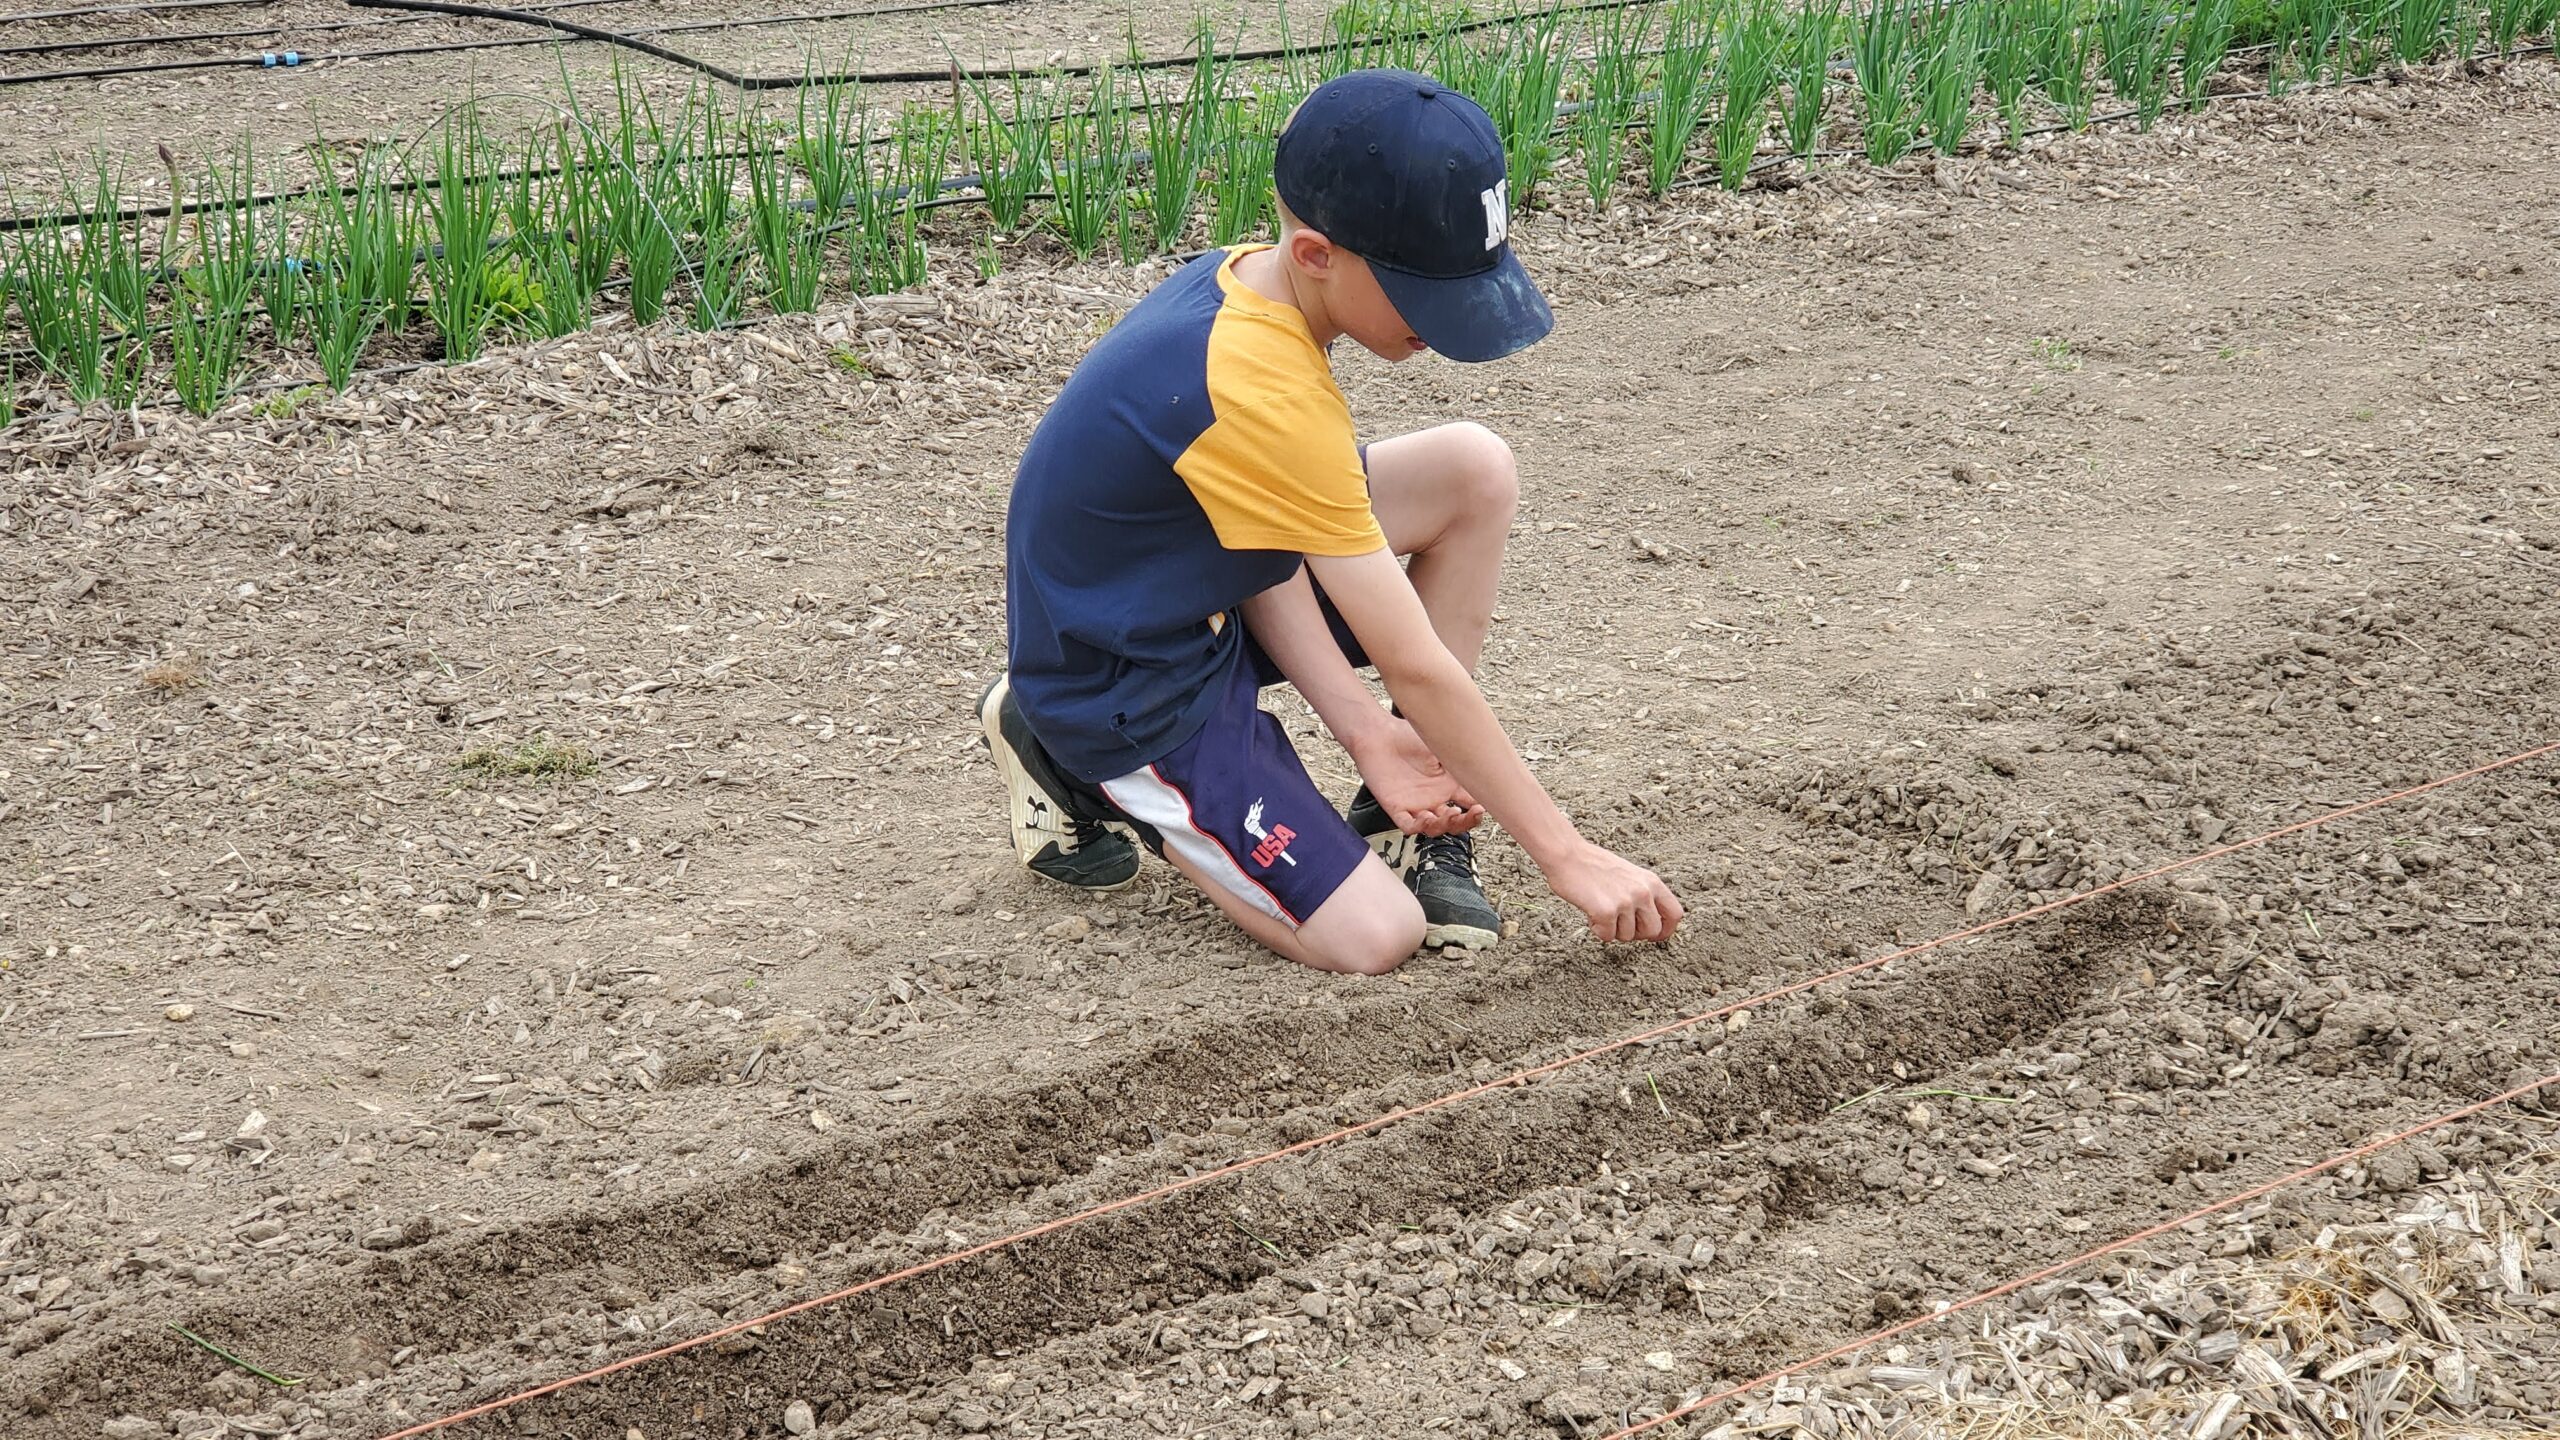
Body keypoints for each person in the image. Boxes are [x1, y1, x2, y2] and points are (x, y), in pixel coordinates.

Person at [978, 68, 1684, 975]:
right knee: (1375, 937)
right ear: (1318, 255)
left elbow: (1266, 550)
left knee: (1471, 470)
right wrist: (1566, 854)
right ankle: (1079, 766)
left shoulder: (1255, 286)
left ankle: (1400, 809)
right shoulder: (1260, 384)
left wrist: (1368, 735)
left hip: (1199, 593)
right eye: (1421, 293)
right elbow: (1416, 666)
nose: (1441, 324)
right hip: (1127, 680)